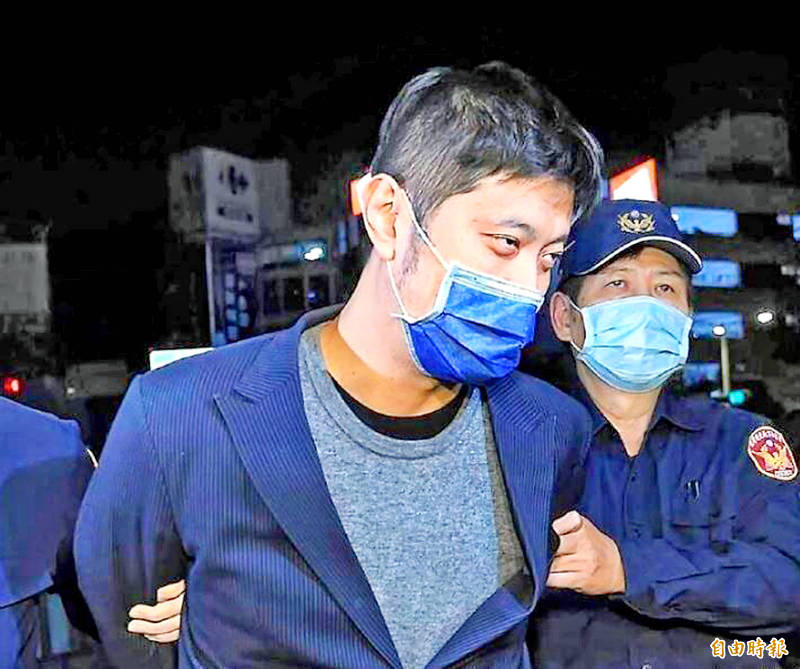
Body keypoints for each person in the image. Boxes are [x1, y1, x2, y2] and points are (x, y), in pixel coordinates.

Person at [74, 62, 604, 667]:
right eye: (507, 243)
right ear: (387, 215)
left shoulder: (551, 429)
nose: (527, 288)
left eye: (548, 259)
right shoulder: (179, 418)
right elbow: (126, 627)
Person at [527, 199, 800, 668]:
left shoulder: (741, 444)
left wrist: (625, 568)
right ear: (565, 318)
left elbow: (788, 583)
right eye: (618, 283)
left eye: (665, 287)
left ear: (687, 317)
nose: (646, 305)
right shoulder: (524, 447)